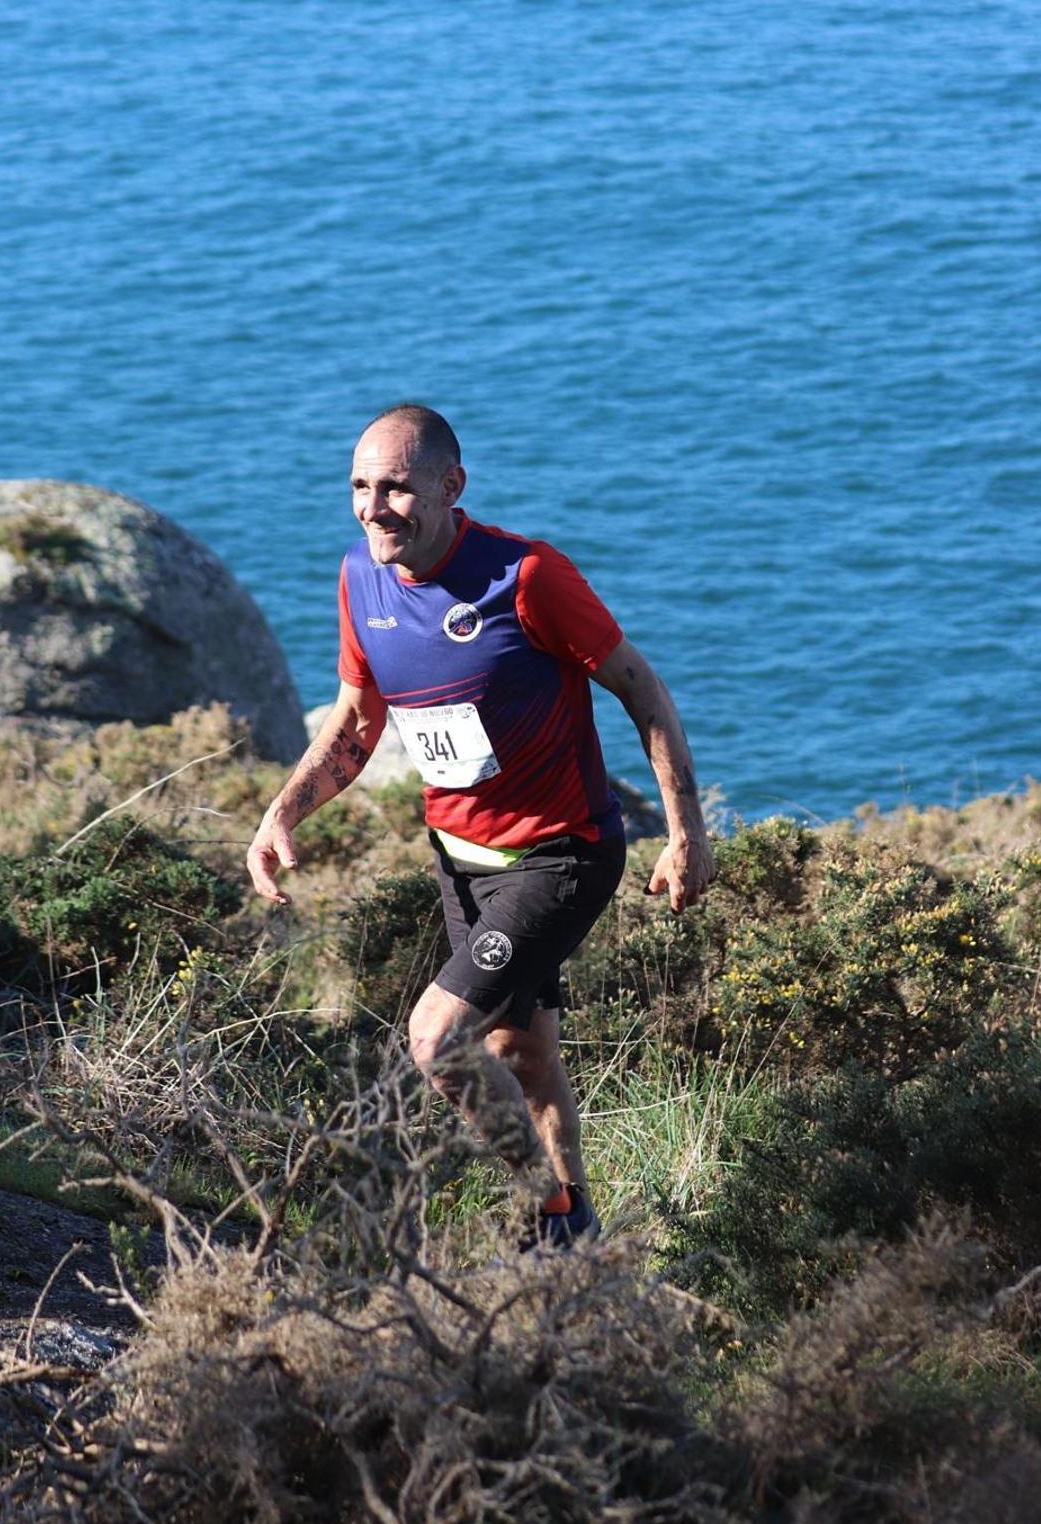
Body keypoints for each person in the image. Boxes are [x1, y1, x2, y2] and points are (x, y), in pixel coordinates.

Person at [247, 404, 715, 1248]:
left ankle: (547, 1213)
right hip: (460, 859)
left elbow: (641, 689)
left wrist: (686, 833)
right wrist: (283, 813)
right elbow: (359, 720)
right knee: (520, 1052)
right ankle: (581, 1239)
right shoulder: (361, 577)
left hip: (561, 854)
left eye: (396, 487)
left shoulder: (527, 577)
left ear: (451, 486)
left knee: (438, 1041)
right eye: (359, 486)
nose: (373, 507)